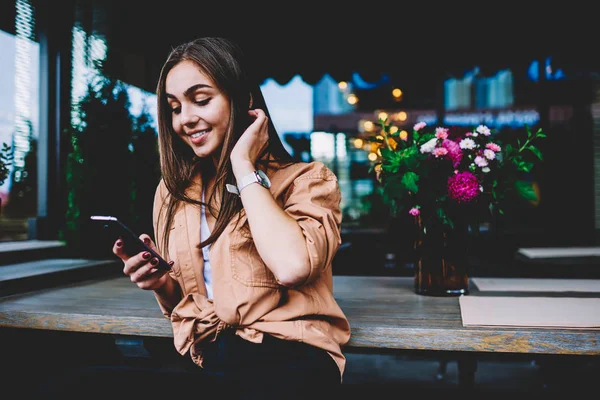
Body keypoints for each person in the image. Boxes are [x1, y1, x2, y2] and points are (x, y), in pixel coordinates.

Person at [112, 37, 351, 398]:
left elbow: (291, 267)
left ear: (243, 100)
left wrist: (243, 166)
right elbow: (190, 300)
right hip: (207, 353)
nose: (185, 119)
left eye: (201, 99)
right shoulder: (174, 191)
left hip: (290, 355)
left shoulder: (307, 180)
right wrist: (161, 283)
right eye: (174, 107)